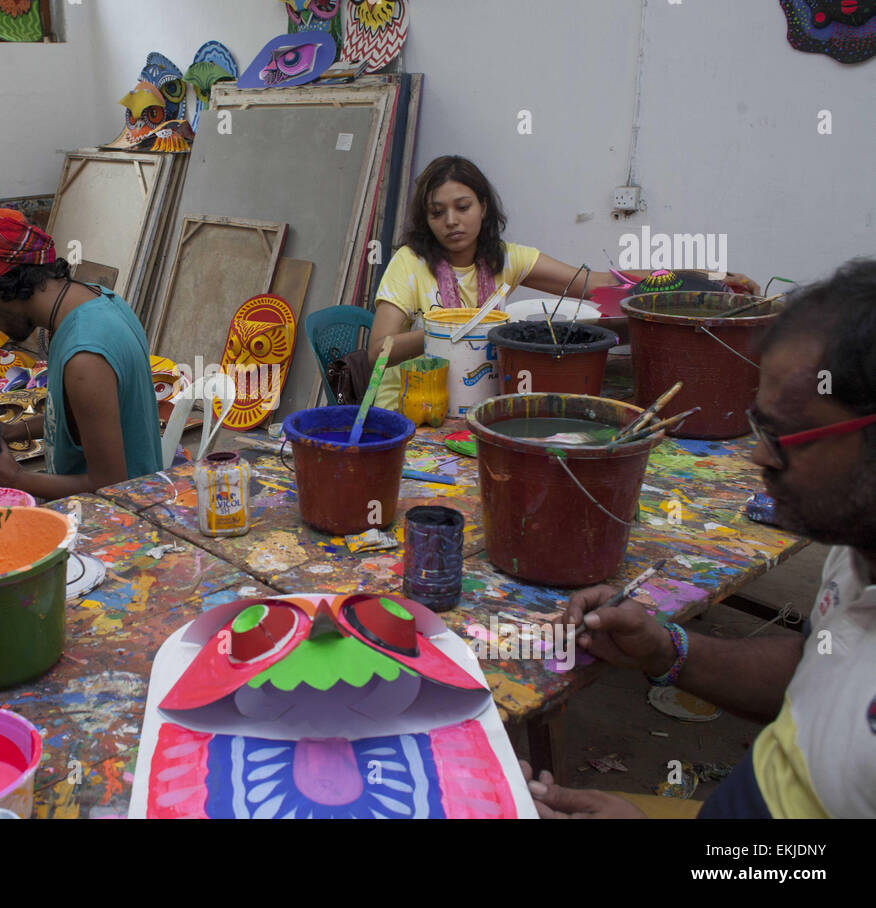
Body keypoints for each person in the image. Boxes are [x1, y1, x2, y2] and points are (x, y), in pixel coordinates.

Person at [527, 258, 876, 819]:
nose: (759, 455)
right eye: (758, 425)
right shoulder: (855, 552)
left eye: (785, 434)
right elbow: (820, 667)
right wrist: (668, 650)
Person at [368, 155, 757, 410]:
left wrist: (709, 278)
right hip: (407, 411)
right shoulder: (410, 263)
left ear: (484, 208)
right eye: (437, 213)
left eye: (462, 207)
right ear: (427, 220)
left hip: (475, 405)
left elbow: (602, 283)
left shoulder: (507, 259)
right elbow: (377, 352)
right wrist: (451, 328)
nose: (451, 221)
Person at [0, 209, 162, 501]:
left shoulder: (84, 356)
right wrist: (9, 431)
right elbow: (80, 419)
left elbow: (111, 483)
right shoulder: (96, 298)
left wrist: (14, 477)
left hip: (122, 518)